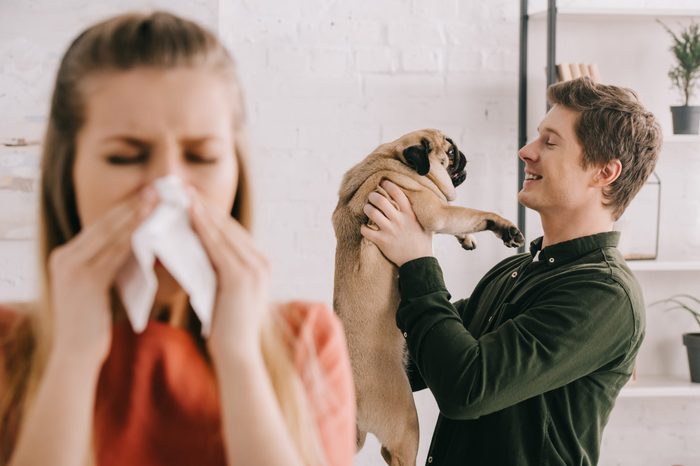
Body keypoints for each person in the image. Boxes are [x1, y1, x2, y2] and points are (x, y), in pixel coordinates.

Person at [0, 11, 354, 466]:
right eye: (125, 157)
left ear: (236, 171)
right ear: (68, 174)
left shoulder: (304, 340)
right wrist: (71, 357)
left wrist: (241, 357)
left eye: (201, 156)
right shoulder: (9, 347)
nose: (167, 188)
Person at [361, 77, 662, 465]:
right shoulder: (515, 270)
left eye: (550, 142)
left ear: (605, 172)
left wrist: (418, 261)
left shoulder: (604, 294)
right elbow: (423, 365)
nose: (526, 151)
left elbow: (466, 389)